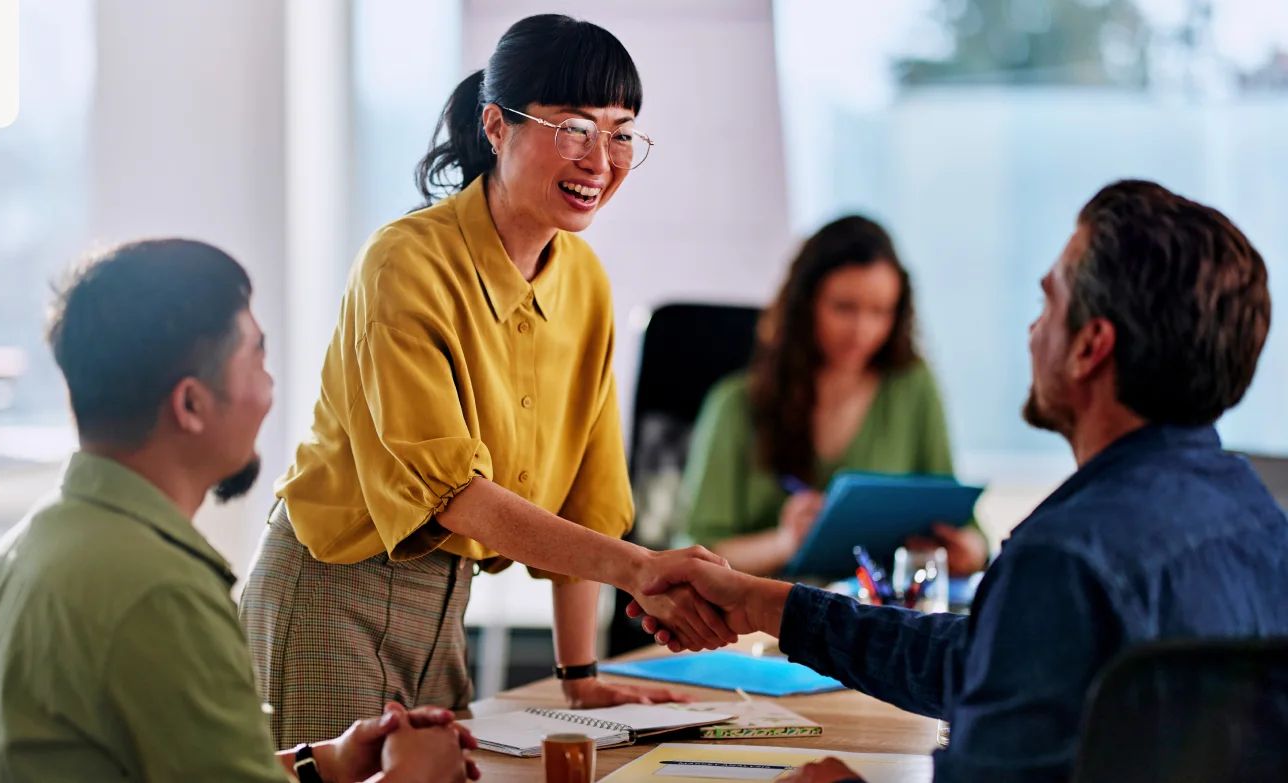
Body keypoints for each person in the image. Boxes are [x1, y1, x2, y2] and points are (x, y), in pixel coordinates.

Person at [630, 180, 1288, 782]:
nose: (1033, 330)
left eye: (1047, 301)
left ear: (1091, 346)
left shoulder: (1063, 559)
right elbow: (982, 664)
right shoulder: (1260, 517)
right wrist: (763, 602)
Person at [239, 13, 733, 748]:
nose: (600, 157)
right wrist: (644, 569)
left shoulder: (585, 283)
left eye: (621, 130)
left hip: (445, 605)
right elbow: (454, 495)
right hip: (331, 597)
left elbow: (587, 500)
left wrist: (581, 674)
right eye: (573, 126)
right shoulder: (404, 264)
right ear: (496, 126)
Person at [0, 240, 477, 783]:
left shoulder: (24, 550)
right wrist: (413, 778)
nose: (270, 387)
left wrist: (322, 763)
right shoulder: (158, 592)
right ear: (191, 404)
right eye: (257, 357)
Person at [679, 215, 987, 577]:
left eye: (881, 312)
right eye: (844, 308)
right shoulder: (734, 406)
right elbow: (694, 553)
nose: (863, 330)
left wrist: (970, 551)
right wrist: (786, 541)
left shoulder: (914, 388)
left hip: (877, 618)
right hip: (764, 622)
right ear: (805, 303)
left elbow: (963, 523)